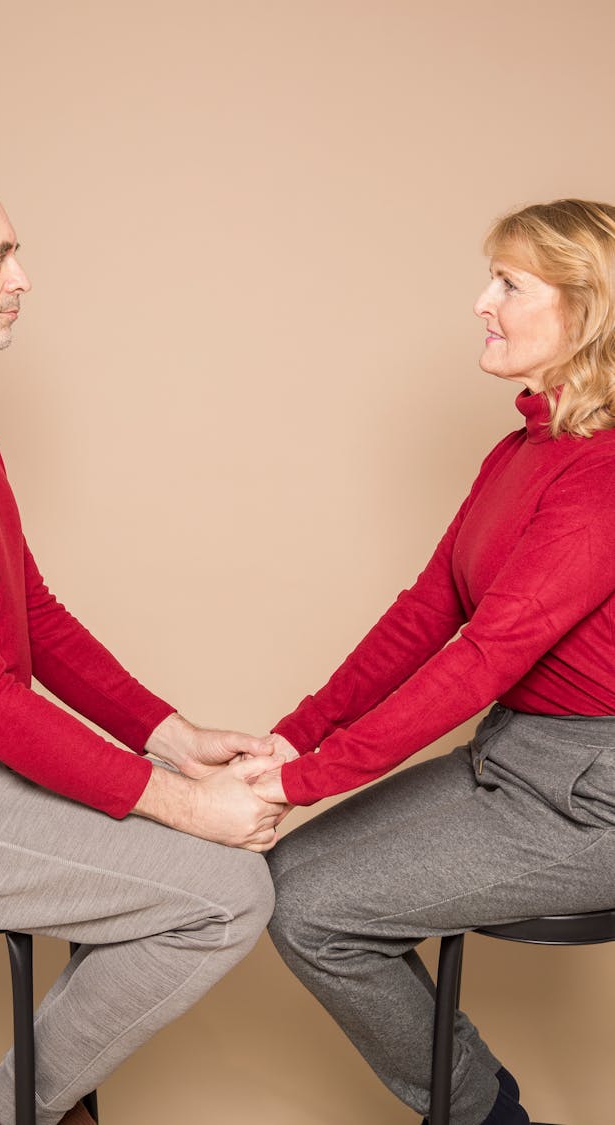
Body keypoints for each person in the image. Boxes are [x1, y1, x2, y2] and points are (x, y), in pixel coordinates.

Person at [0, 164, 284, 1125]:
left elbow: (33, 614)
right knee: (225, 895)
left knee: (208, 878)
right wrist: (186, 808)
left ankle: (33, 1105)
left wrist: (171, 737)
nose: (23, 277)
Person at [251, 199, 615, 1125]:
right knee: (290, 886)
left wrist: (307, 779)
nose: (481, 302)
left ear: (584, 311)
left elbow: (486, 655)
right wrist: (293, 738)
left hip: (594, 796)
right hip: (510, 758)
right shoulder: (521, 450)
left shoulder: (603, 473)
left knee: (316, 911)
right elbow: (430, 610)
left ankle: (483, 1112)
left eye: (509, 283)